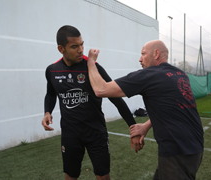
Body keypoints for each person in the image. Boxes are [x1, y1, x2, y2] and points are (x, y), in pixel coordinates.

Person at [87, 40, 204, 180]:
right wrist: (147, 125)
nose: (140, 59)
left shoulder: (149, 75)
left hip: (177, 151)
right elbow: (174, 107)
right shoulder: (180, 74)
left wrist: (90, 63)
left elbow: (101, 90)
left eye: (143, 54)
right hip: (194, 147)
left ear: (156, 54)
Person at [41, 25, 142, 180]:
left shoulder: (93, 67)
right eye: (74, 46)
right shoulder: (52, 71)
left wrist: (133, 127)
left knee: (103, 176)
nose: (81, 50)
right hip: (70, 134)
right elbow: (51, 93)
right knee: (70, 175)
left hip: (96, 133)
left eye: (82, 44)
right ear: (61, 49)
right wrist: (47, 111)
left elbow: (116, 98)